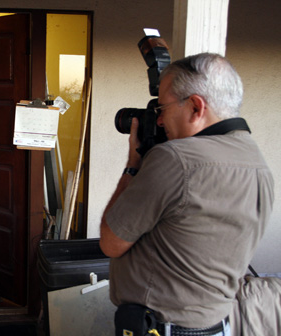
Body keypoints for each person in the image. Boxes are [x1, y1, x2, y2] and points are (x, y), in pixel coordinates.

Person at [100, 53, 274, 335]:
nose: (158, 122)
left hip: (161, 326)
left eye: (162, 109)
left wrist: (133, 165)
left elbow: (111, 242)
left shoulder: (175, 159)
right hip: (214, 325)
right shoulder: (258, 164)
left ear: (195, 107)